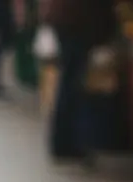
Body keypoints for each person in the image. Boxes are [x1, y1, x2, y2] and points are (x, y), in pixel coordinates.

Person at [42, 0, 118, 159]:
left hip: (69, 20)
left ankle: (63, 142)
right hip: (76, 23)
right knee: (72, 85)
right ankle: (65, 144)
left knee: (69, 82)